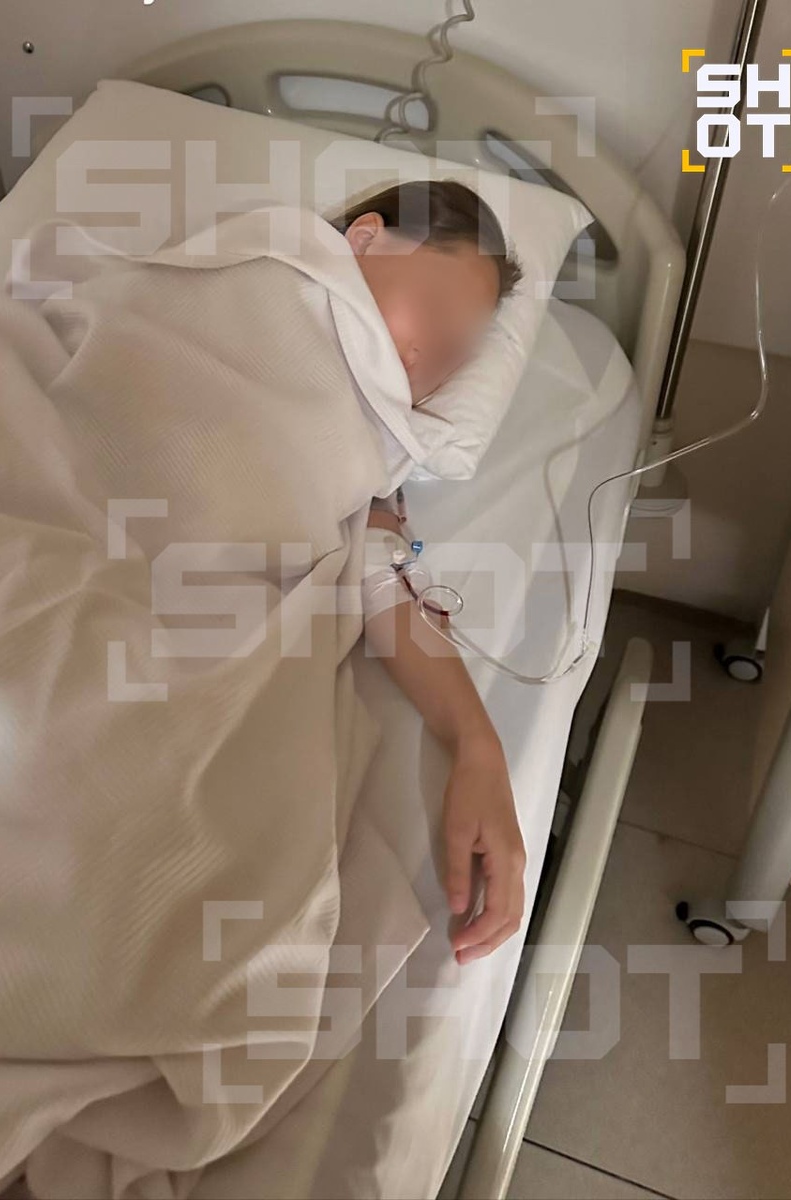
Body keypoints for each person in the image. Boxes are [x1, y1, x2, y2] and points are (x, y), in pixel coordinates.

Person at [336, 180, 527, 966]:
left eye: (454, 356)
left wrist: (477, 745)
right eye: (436, 313)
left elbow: (376, 579)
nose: (428, 362)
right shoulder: (236, 275)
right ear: (364, 239)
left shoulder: (370, 447)